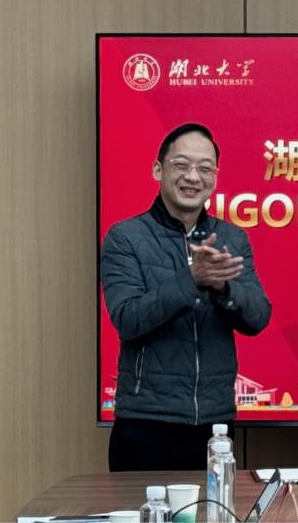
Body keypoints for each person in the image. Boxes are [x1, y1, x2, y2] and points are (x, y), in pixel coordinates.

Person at [101, 122, 272, 471]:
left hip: (214, 425)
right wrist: (192, 278)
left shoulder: (232, 238)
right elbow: (128, 318)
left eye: (205, 168)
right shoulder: (125, 237)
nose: (193, 177)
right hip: (145, 422)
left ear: (215, 178)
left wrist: (222, 287)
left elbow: (258, 317)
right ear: (158, 170)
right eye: (182, 165)